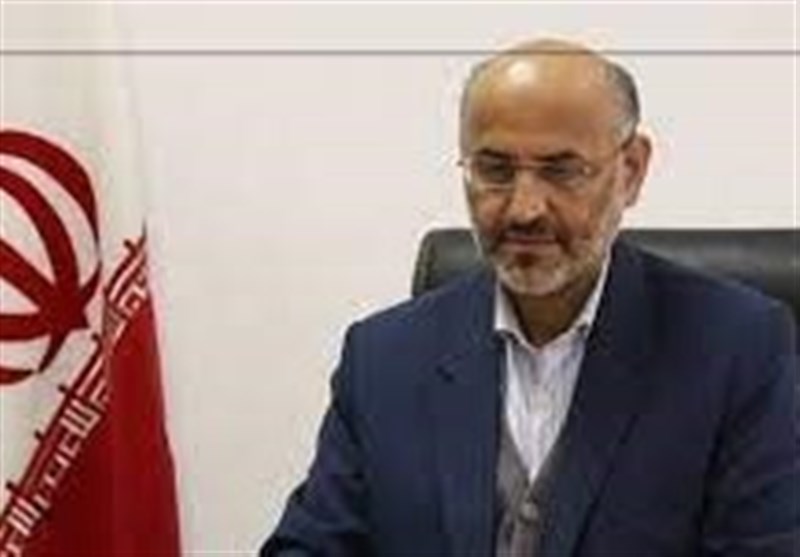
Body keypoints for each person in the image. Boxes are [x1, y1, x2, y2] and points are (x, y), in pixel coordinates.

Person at [262, 39, 798, 556]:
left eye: (562, 171)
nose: (525, 209)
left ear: (631, 170)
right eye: (494, 170)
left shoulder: (736, 350)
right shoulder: (383, 358)